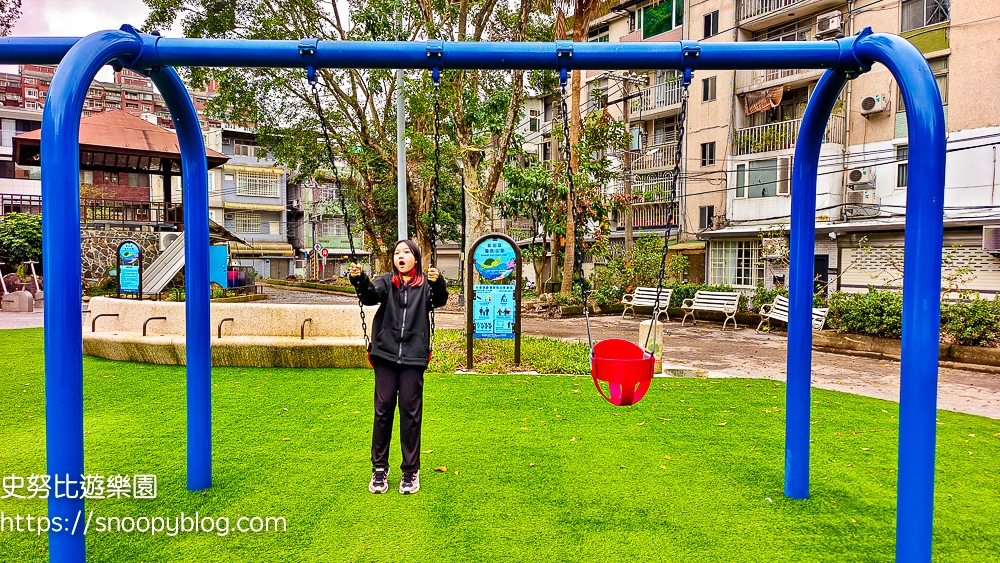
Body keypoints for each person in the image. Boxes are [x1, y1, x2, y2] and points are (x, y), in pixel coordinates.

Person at [349, 239, 449, 494]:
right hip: (386, 354)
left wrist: (438, 282)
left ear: (415, 257)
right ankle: (380, 468)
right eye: (397, 253)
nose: (400, 256)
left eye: (406, 252)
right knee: (382, 410)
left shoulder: (426, 284)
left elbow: (439, 300)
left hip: (413, 357)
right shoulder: (386, 282)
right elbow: (370, 297)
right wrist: (360, 279)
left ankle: (410, 471)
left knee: (410, 412)